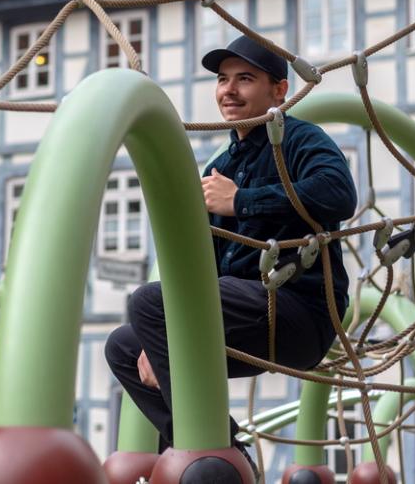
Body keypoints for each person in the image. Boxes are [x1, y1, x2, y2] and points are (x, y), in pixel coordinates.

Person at [105, 34, 357, 467]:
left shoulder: (299, 139)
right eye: (223, 79)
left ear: (279, 90)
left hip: (296, 312)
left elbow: (338, 194)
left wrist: (241, 201)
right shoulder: (219, 168)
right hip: (241, 318)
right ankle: (214, 455)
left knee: (148, 301)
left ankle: (217, 448)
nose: (229, 90)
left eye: (245, 79)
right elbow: (199, 262)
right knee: (123, 347)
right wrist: (158, 337)